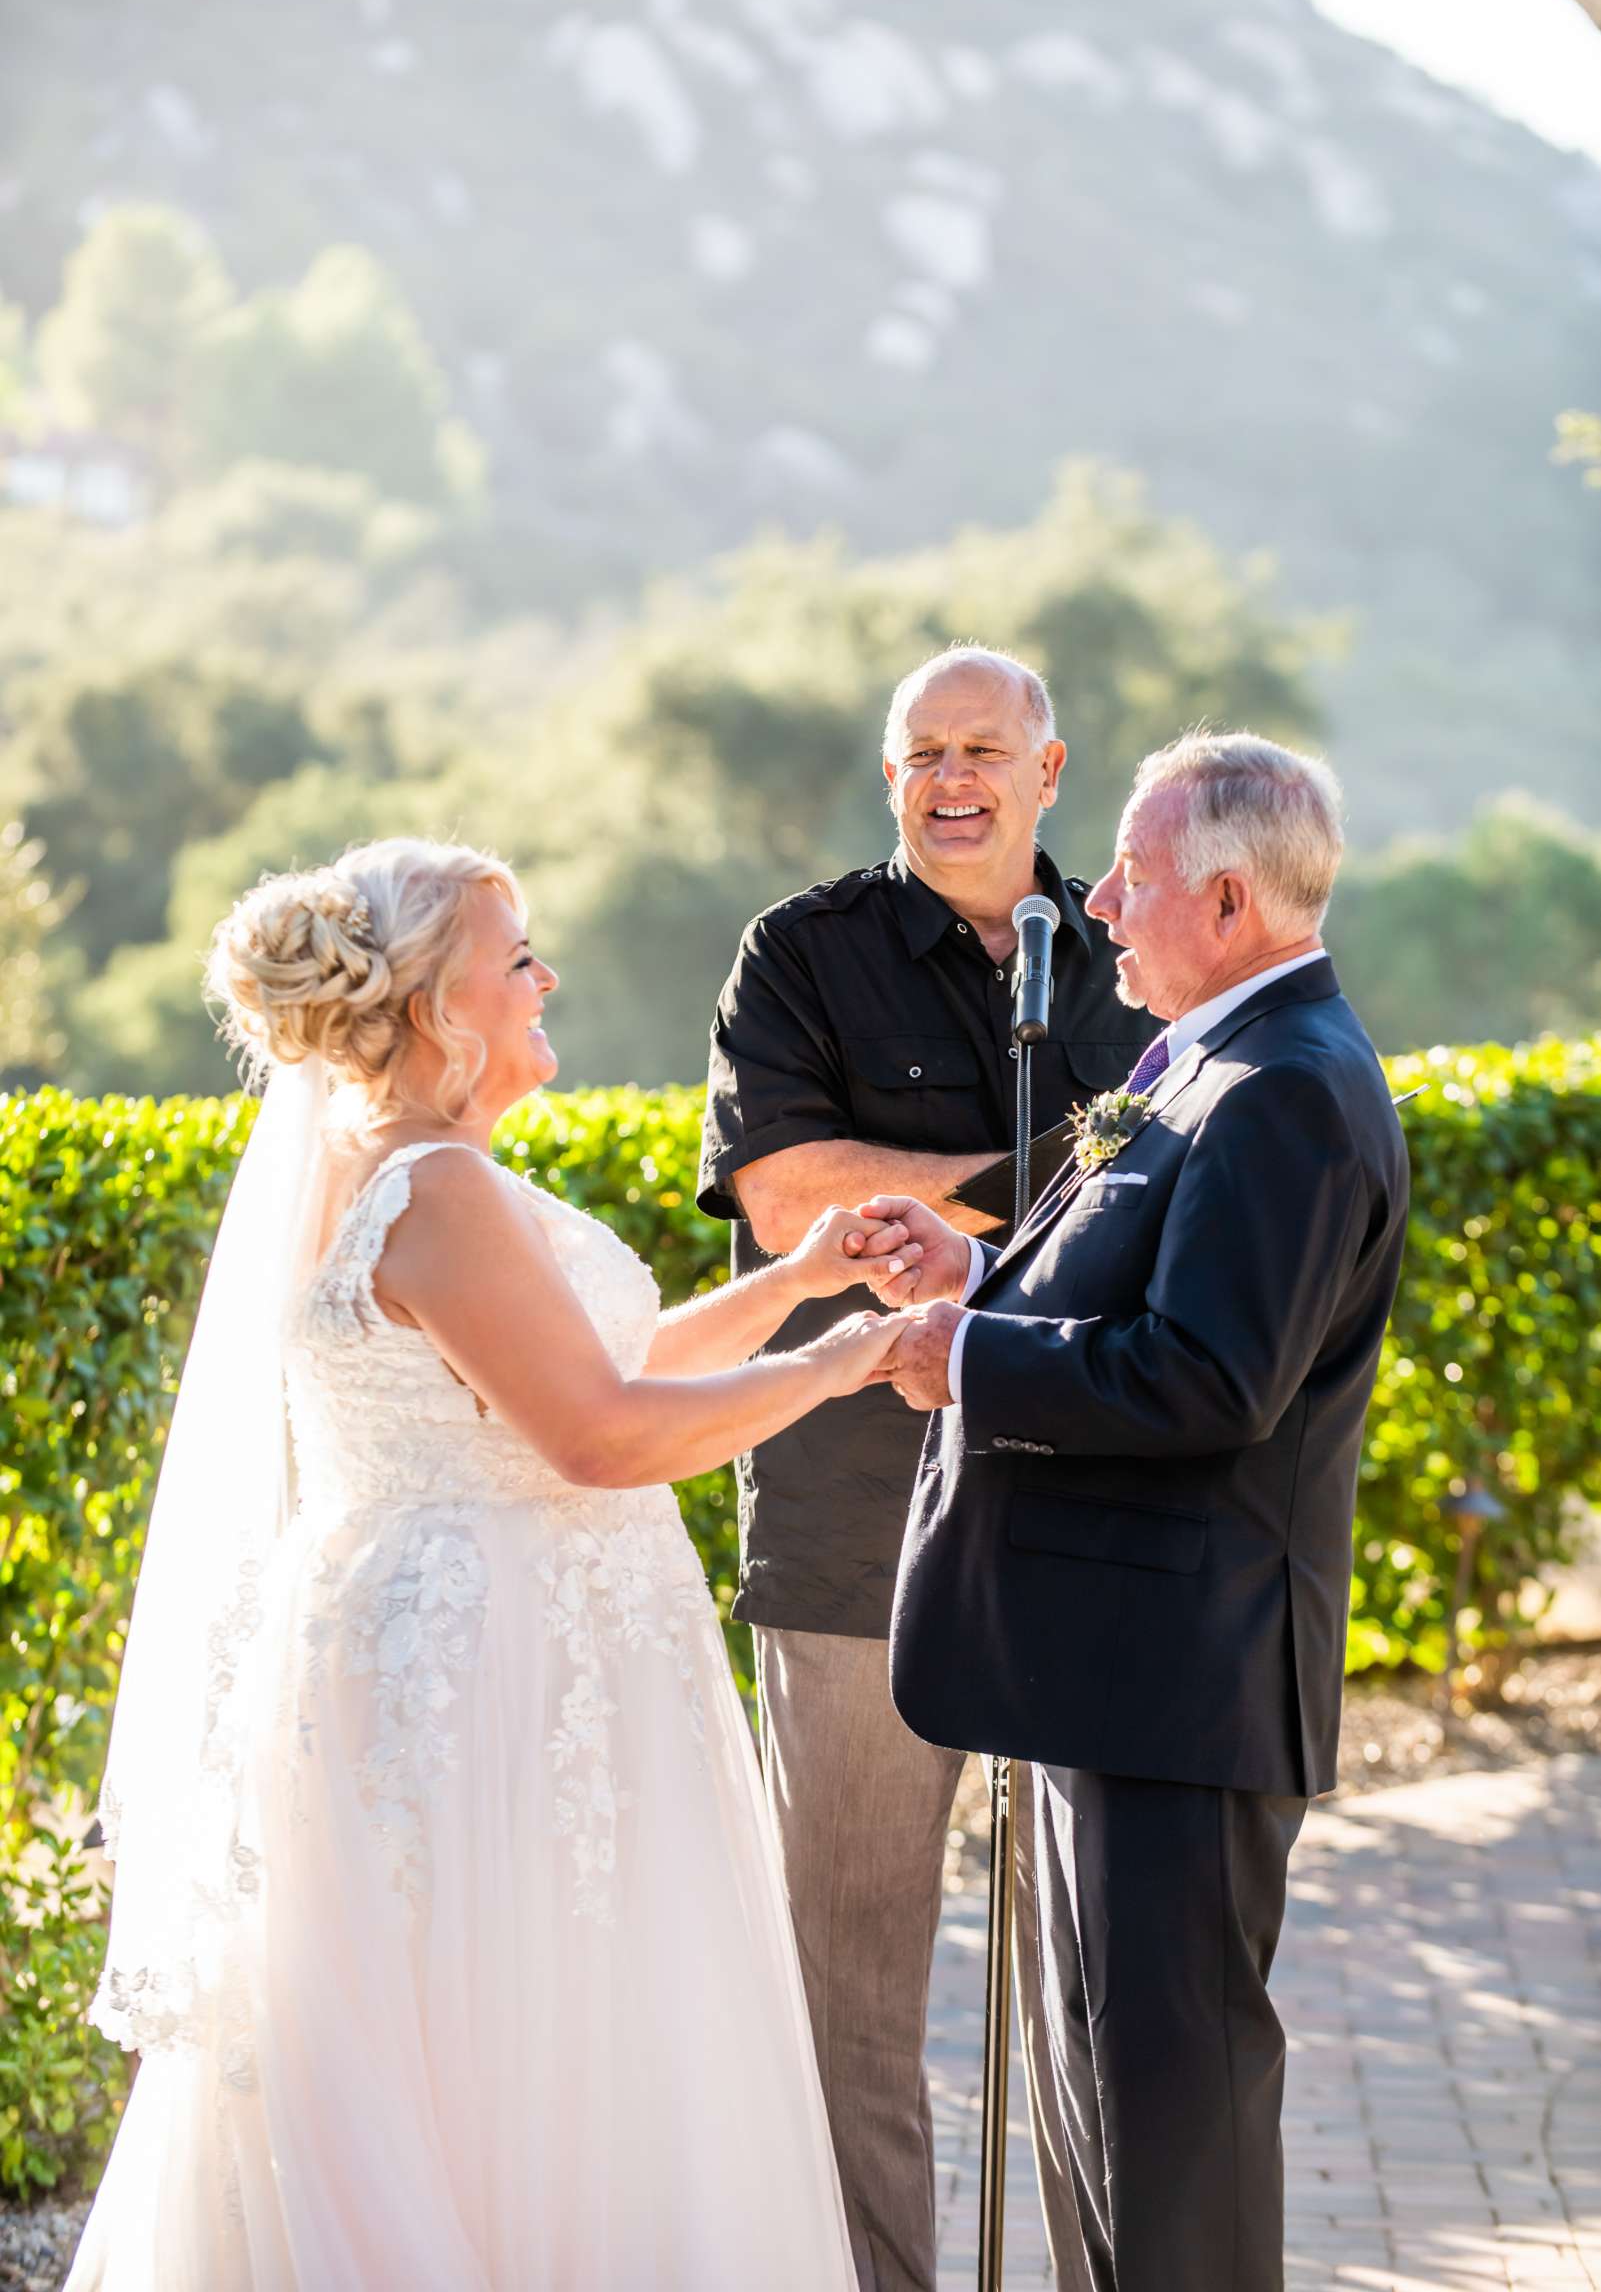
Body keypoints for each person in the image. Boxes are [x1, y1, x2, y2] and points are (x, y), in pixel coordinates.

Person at [67, 836, 919, 2292]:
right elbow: (595, 1436)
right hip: (489, 1688)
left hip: (481, 1654)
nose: (545, 978)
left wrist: (795, 1284)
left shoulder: (402, 1166)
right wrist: (849, 1363)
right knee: (518, 2047)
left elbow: (590, 1370)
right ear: (428, 1005)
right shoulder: (436, 1184)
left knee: (506, 2047)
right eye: (514, 954)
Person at [873, 731, 1410, 2292]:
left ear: (1229, 899)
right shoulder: (1207, 1060)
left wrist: (963, 1360)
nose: (1096, 902)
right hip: (1106, 1672)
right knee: (1095, 2116)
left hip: (1183, 1684)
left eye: (1132, 873)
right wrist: (974, 1278)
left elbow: (1206, 1380)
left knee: (1175, 2137)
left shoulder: (1289, 1090)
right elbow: (1132, 1295)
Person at [697, 647, 1149, 2290]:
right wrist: (1064, 1182)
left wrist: (946, 1198)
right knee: (846, 2003)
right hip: (847, 1540)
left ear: (1048, 769)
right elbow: (783, 1195)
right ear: (889, 774)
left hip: (1093, 1526)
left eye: (984, 750)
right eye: (920, 753)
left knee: (1108, 1999)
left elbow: (1208, 1180)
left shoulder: (1135, 940)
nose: (950, 779)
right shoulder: (799, 953)